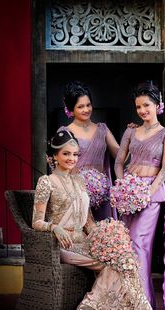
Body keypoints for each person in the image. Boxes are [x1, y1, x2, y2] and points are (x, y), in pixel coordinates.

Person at [32, 129, 165, 310]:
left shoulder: (79, 180)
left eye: (75, 154)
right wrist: (54, 228)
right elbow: (36, 222)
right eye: (66, 154)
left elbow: (88, 222)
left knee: (125, 257)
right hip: (64, 245)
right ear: (54, 156)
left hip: (85, 241)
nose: (72, 158)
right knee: (116, 264)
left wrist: (108, 236)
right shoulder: (46, 182)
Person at [114, 80, 165, 310]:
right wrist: (122, 185)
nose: (142, 111)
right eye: (138, 106)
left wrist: (147, 193)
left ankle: (143, 305)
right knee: (124, 246)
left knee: (139, 244)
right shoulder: (130, 131)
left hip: (151, 195)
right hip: (128, 192)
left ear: (158, 105)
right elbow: (119, 162)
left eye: (146, 105)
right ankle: (125, 304)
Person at [57, 80, 119, 221]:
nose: (86, 109)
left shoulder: (102, 129)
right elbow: (59, 166)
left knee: (104, 237)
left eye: (88, 105)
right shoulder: (65, 132)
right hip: (75, 194)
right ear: (71, 109)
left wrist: (131, 136)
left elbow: (119, 154)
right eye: (80, 106)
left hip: (102, 194)